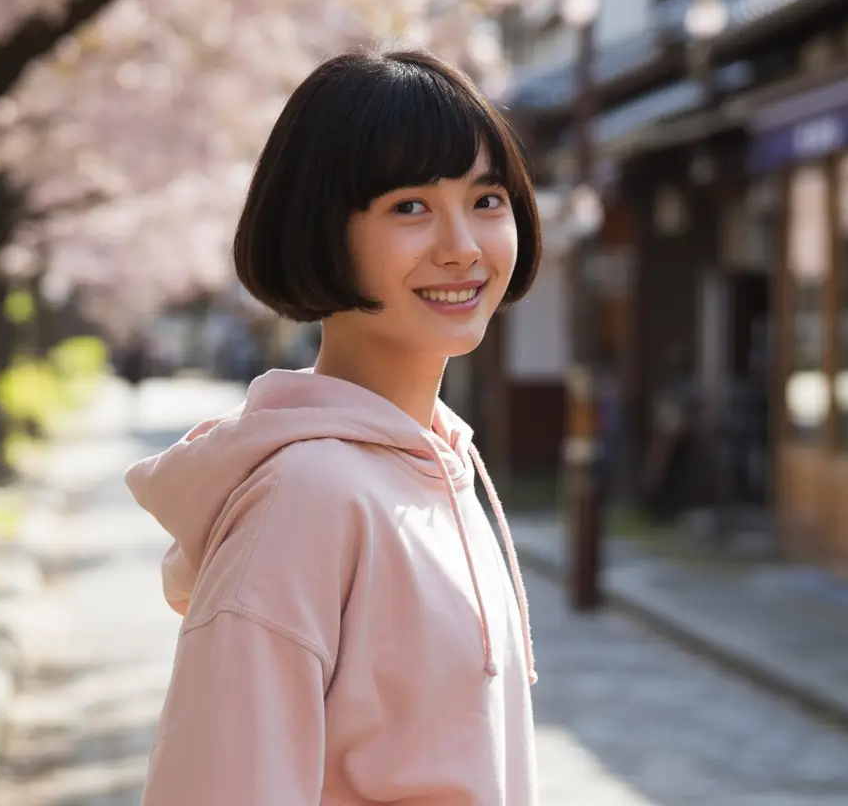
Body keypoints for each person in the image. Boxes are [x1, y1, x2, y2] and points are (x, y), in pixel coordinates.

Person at [125, 47, 543, 805]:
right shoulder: (306, 497)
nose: (462, 247)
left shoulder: (441, 467)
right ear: (322, 228)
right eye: (409, 207)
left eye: (486, 200)